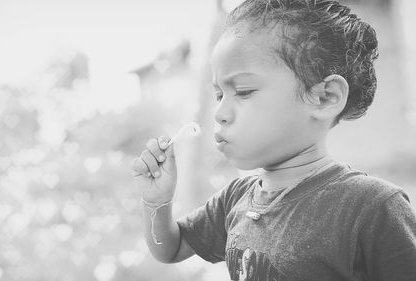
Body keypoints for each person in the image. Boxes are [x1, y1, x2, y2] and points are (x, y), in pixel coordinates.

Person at [130, 0, 416, 280]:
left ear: (324, 97)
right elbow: (172, 247)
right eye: (219, 95)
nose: (220, 113)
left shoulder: (372, 207)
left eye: (242, 91)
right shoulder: (235, 198)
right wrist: (156, 201)